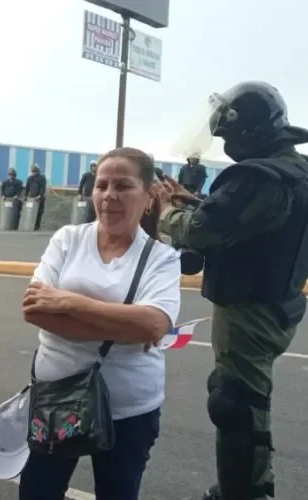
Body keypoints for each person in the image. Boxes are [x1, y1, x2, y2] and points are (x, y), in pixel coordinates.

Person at [157, 81, 308, 500]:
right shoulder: (294, 168)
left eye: (228, 133)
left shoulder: (257, 177)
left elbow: (203, 232)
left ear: (250, 131)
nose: (224, 142)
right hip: (281, 300)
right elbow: (254, 222)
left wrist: (167, 211)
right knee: (235, 395)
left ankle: (246, 492)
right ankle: (242, 485)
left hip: (249, 309)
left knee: (236, 405)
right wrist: (196, 199)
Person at [19, 147, 181, 500]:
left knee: (118, 493)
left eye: (123, 186)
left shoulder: (161, 258)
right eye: (102, 185)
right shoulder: (68, 239)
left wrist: (68, 302)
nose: (109, 195)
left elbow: (154, 325)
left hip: (129, 411)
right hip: (57, 398)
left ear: (149, 197)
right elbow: (34, 309)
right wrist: (126, 328)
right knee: (38, 491)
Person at [24, 164, 47, 230]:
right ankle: (29, 225)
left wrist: (40, 195)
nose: (34, 173)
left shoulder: (42, 178)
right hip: (31, 198)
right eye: (33, 172)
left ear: (38, 171)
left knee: (39, 212)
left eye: (35, 172)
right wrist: (25, 196)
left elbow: (43, 187)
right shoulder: (29, 178)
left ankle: (37, 226)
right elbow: (27, 188)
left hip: (39, 198)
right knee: (30, 211)